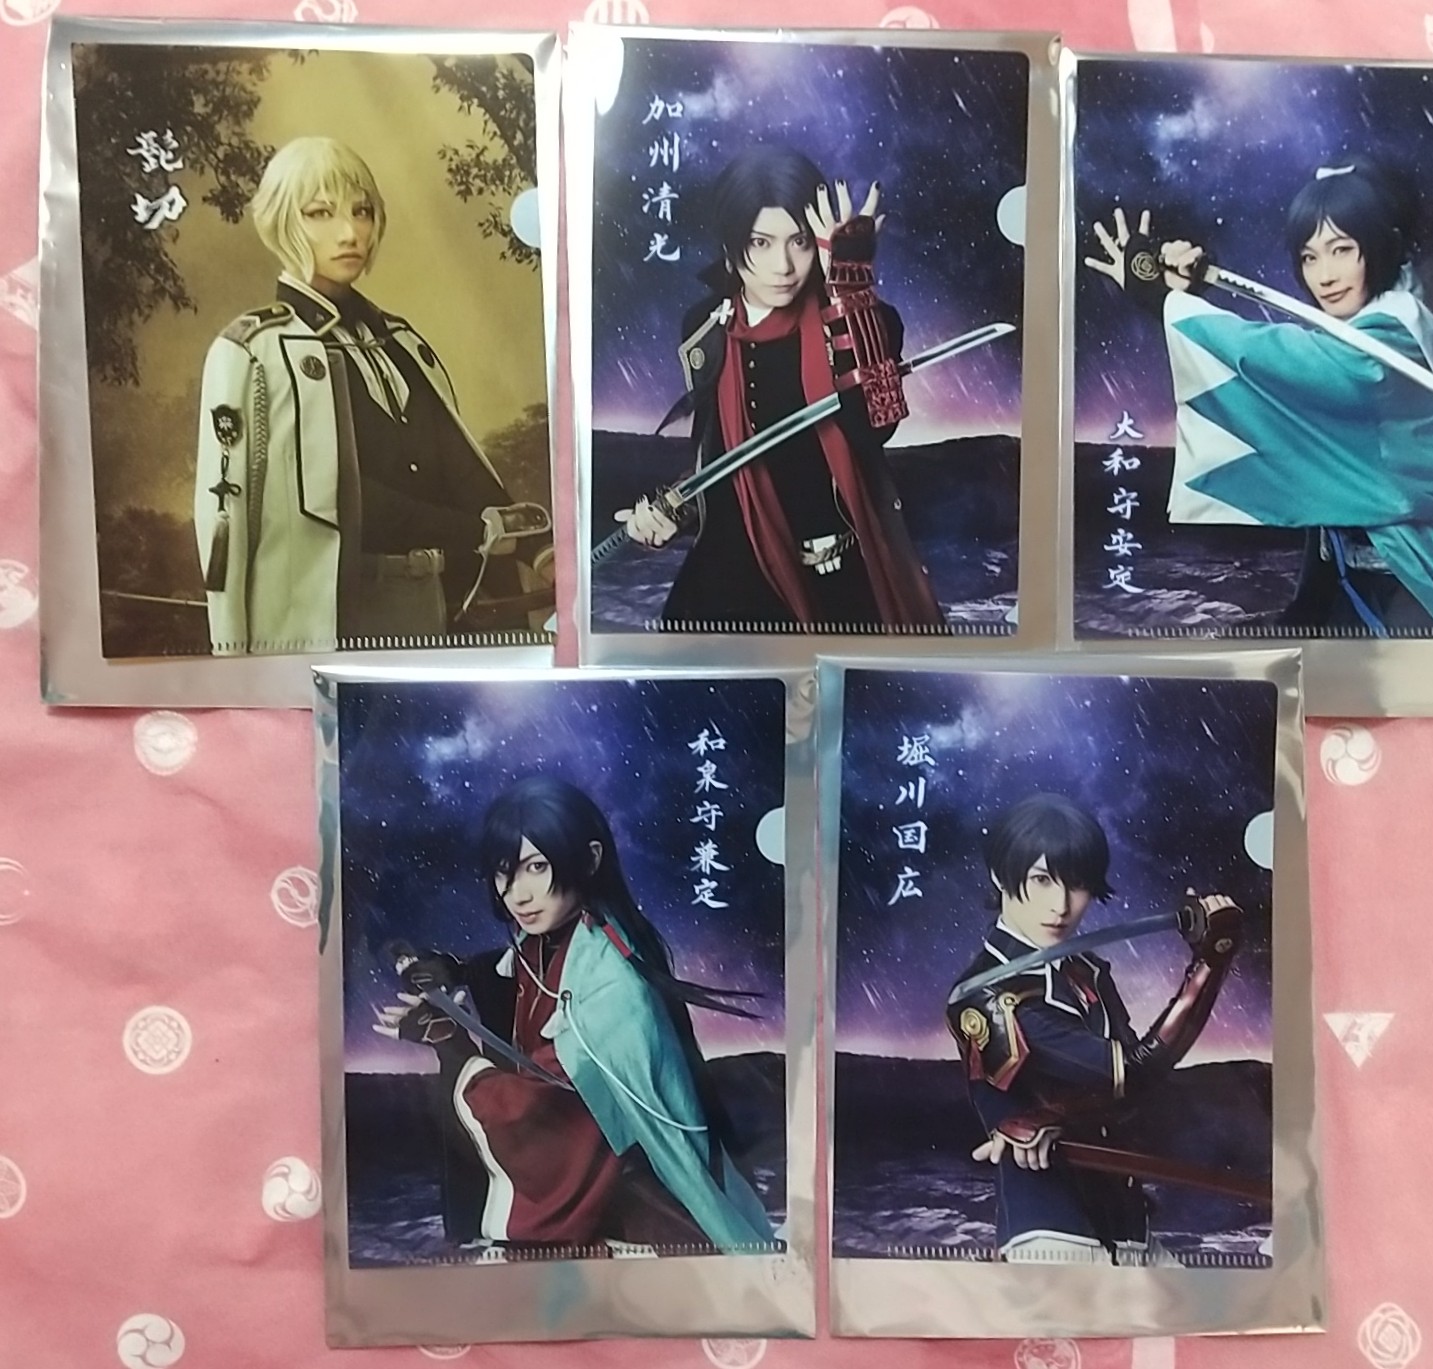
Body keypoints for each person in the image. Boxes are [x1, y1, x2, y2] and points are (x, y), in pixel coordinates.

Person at [1085, 158, 1433, 636]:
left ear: (1380, 246)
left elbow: (1290, 363)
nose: (1325, 276)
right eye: (1309, 257)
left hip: (1419, 576)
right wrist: (1188, 293)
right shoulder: (1369, 326)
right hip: (1347, 574)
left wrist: (1168, 302)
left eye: (1342, 250)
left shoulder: (1394, 338)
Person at [372, 774, 775, 1255]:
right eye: (503, 872)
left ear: (589, 860)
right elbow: (521, 972)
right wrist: (455, 970)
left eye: (536, 867)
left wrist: (450, 1041)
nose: (517, 894)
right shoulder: (573, 931)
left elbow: (543, 1110)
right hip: (604, 1174)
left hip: (630, 1185)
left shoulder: (613, 987)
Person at [193, 135, 551, 656]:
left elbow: (457, 463)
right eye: (320, 213)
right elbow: (309, 504)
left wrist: (538, 547)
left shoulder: (398, 340)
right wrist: (235, 659)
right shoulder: (253, 352)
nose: (349, 232)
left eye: (361, 211)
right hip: (333, 618)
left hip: (444, 604)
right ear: (280, 220)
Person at [615, 145, 943, 631]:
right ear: (730, 245)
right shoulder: (704, 327)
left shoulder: (866, 318)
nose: (783, 266)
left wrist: (850, 290)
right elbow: (718, 454)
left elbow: (875, 426)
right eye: (761, 243)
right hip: (731, 572)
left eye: (800, 241)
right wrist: (671, 512)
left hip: (835, 573)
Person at [945, 793, 1242, 1263]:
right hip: (1052, 1234)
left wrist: (1055, 1116)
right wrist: (1209, 965)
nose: (1061, 905)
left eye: (1078, 884)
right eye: (1041, 880)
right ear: (1001, 876)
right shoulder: (985, 996)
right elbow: (1133, 1071)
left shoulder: (1087, 972)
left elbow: (1138, 1091)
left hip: (1130, 1227)